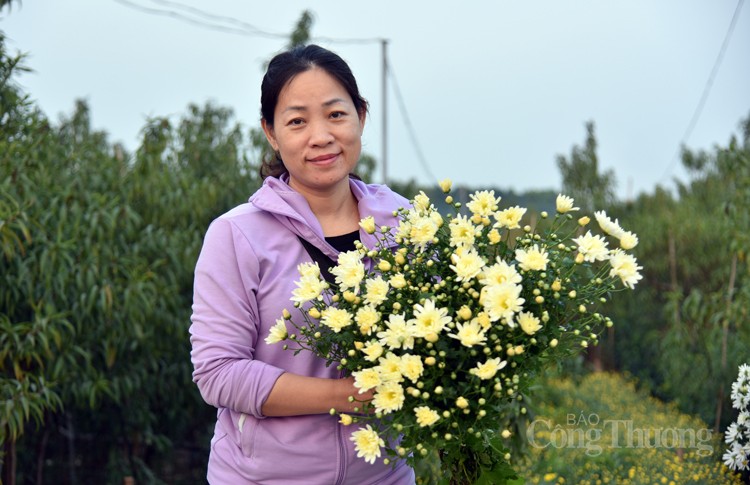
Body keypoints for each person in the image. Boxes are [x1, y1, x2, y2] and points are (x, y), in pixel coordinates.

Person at [189, 44, 416, 484]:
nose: (321, 136)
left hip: (383, 476)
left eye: (336, 115)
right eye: (297, 121)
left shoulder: (404, 222)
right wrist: (349, 395)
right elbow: (219, 373)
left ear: (361, 117)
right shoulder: (236, 235)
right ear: (270, 133)